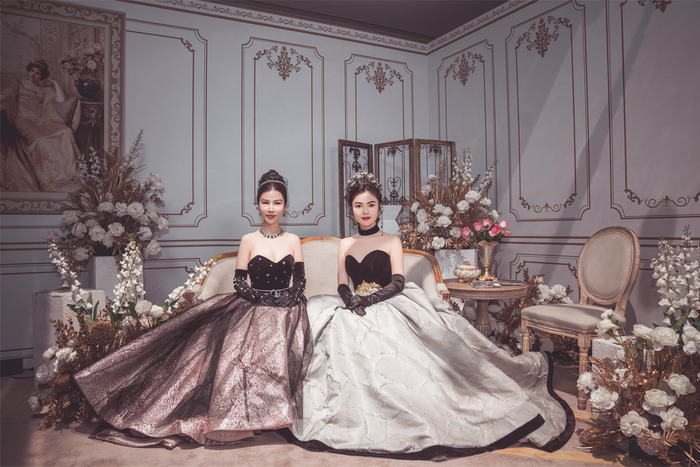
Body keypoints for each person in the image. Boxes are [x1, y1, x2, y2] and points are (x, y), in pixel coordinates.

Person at [287, 172, 574, 460]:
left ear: (379, 207)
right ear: (351, 209)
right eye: (359, 205)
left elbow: (398, 282)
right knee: (334, 331)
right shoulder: (346, 244)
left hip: (389, 302)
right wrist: (350, 300)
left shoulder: (392, 240)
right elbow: (341, 282)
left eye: (371, 205)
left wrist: (371, 299)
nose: (365, 211)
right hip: (355, 304)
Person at [75, 170, 310, 447]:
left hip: (287, 308)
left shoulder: (293, 240)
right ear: (257, 204)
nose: (271, 208)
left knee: (282, 340)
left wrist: (288, 298)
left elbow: (300, 280)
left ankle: (273, 417)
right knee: (228, 349)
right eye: (265, 202)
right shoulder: (248, 240)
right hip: (252, 306)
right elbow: (239, 282)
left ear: (285, 205)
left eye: (277, 202)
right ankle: (234, 417)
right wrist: (261, 299)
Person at [0, 59, 80, 192]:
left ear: (42, 76)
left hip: (41, 120)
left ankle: (68, 175)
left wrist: (54, 82)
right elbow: (7, 95)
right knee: (40, 140)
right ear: (29, 70)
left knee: (65, 131)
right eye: (32, 71)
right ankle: (50, 179)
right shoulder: (19, 84)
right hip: (23, 120)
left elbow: (61, 100)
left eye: (37, 73)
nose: (33, 74)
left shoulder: (45, 89)